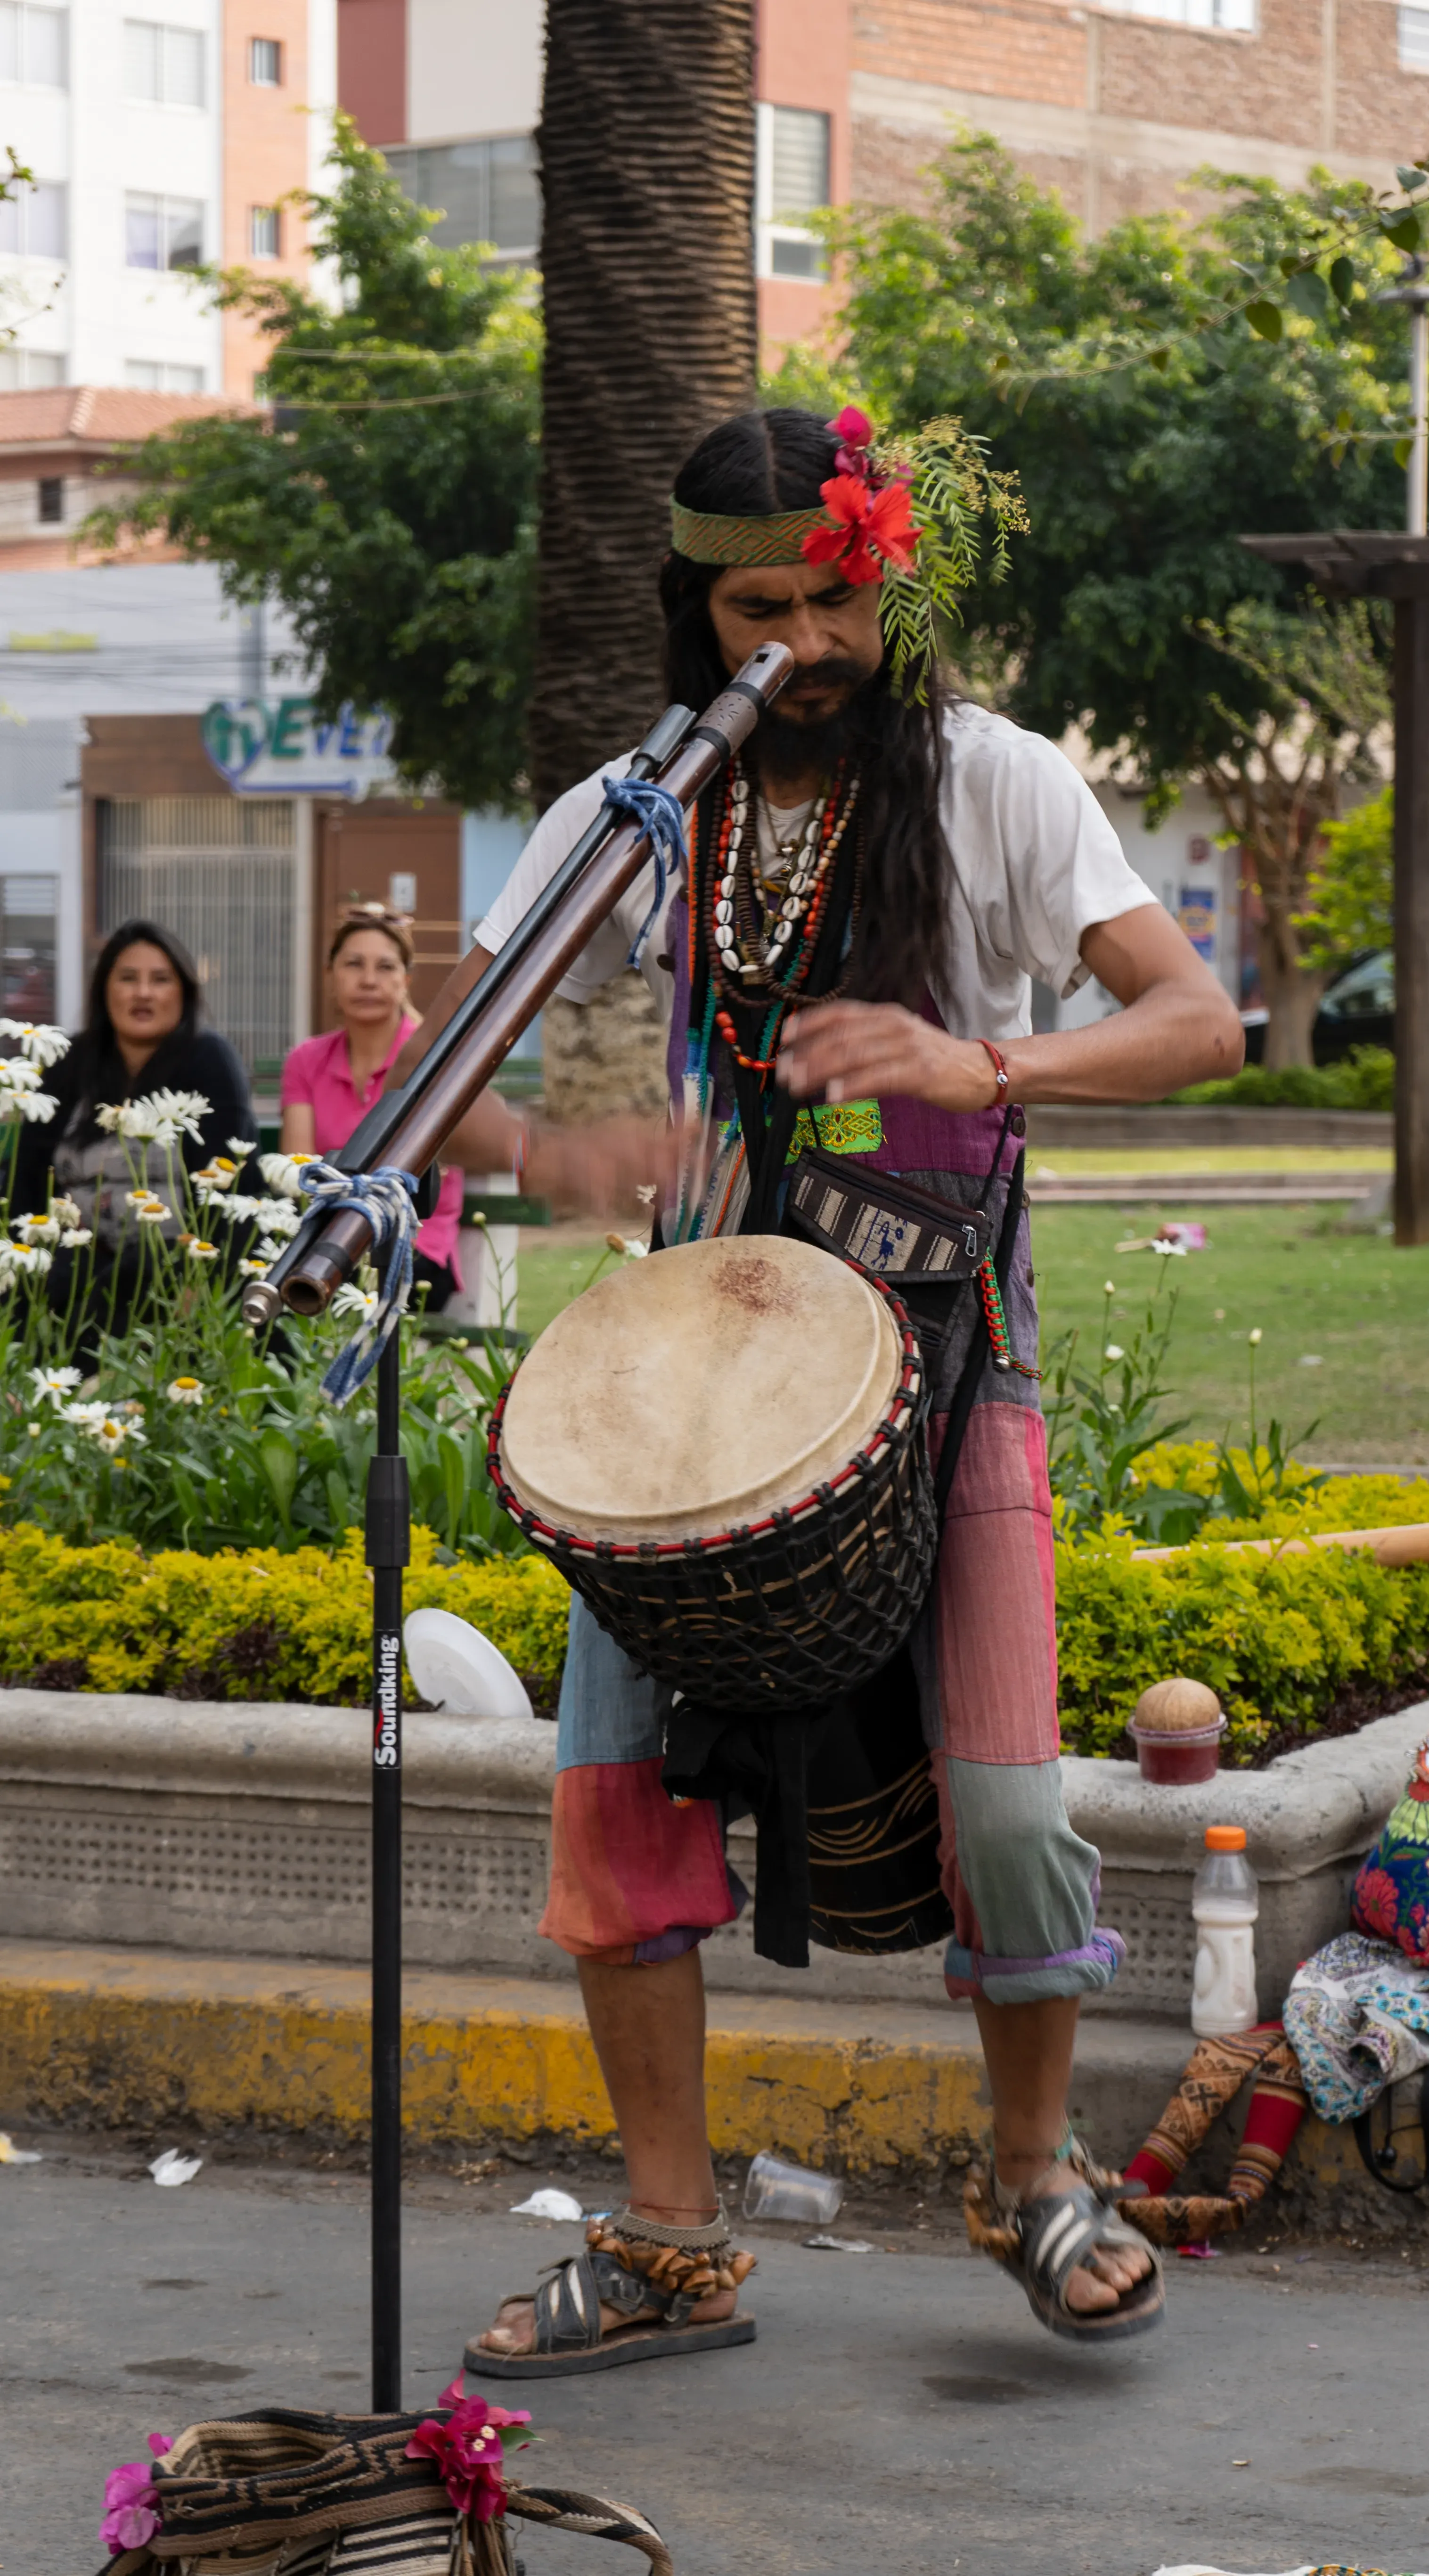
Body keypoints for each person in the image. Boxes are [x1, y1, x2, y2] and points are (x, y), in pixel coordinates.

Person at [392, 405, 1245, 2371]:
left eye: (836, 602)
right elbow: (450, 1077)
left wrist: (980, 1065)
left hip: (944, 1359)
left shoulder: (999, 781)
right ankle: (670, 2239)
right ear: (690, 613)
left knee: (1009, 1810)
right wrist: (556, 1149)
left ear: (890, 589)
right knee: (612, 1811)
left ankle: (1032, 2178)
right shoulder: (632, 811)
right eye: (756, 611)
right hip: (682, 1397)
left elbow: (1196, 1019)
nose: (805, 644)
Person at [14, 918, 254, 1347]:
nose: (143, 993)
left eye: (160, 980)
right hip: (69, 1270)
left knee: (134, 1274)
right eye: (128, 978)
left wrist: (202, 1282)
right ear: (105, 990)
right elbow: (26, 1178)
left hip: (171, 1271)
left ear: (183, 992)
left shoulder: (210, 1060)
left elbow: (231, 1186)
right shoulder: (71, 1063)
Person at [281, 905, 465, 1313]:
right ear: (331, 975)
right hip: (327, 1238)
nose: (368, 980)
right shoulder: (306, 1061)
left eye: (385, 967)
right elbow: (299, 1172)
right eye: (353, 964)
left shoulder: (435, 1059)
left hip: (415, 1243)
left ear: (406, 980)